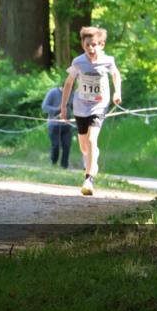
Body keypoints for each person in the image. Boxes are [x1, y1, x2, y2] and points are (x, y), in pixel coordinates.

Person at [60, 26, 122, 196]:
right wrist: (63, 106)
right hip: (80, 106)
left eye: (94, 45)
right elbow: (68, 84)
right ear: (82, 45)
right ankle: (90, 161)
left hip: (99, 105)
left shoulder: (108, 60)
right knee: (84, 147)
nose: (91, 49)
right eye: (87, 45)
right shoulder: (78, 62)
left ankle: (89, 179)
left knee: (92, 139)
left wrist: (117, 92)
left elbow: (115, 74)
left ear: (102, 44)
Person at [41, 85, 72, 168]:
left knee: (66, 145)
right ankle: (53, 163)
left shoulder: (71, 94)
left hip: (66, 124)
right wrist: (57, 109)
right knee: (56, 145)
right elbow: (44, 107)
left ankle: (64, 166)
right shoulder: (53, 92)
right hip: (54, 124)